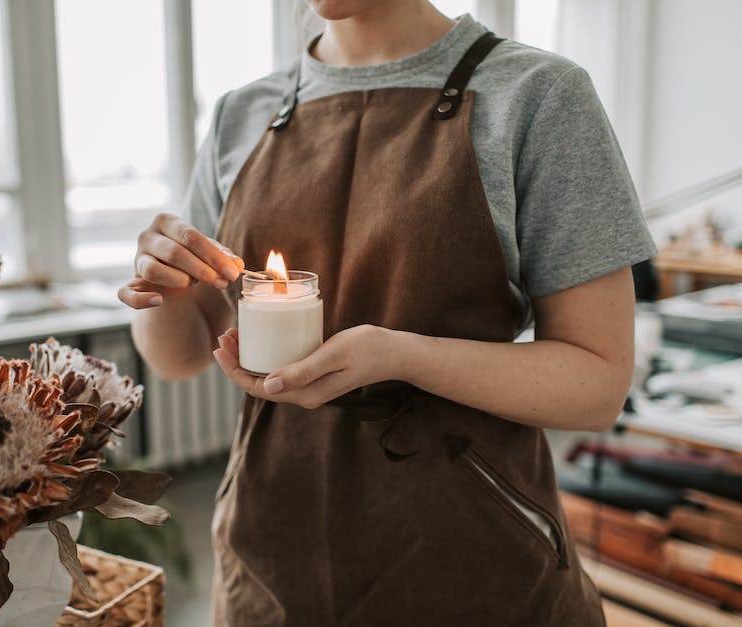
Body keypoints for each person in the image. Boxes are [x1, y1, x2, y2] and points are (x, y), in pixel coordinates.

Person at [120, 1, 657, 624]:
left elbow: (597, 383)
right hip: (270, 564)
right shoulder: (243, 114)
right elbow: (181, 356)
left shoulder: (537, 96)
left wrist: (406, 357)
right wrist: (162, 290)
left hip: (473, 567)